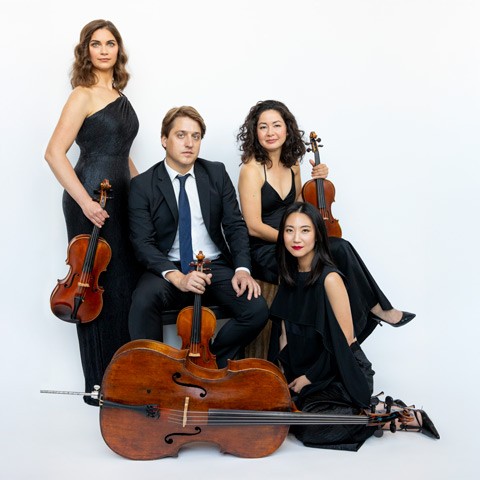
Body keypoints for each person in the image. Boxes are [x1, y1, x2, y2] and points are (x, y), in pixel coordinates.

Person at [237, 99, 414, 342]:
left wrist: (316, 182)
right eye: (263, 127)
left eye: (276, 125)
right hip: (266, 250)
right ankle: (371, 313)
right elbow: (253, 226)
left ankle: (364, 319)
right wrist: (294, 239)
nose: (270, 133)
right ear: (255, 132)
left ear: (287, 129)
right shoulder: (251, 169)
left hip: (293, 241)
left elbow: (298, 208)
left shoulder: (293, 166)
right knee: (332, 255)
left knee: (341, 247)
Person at [269, 202, 439, 450]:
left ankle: (389, 414)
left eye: (305, 230)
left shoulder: (331, 279)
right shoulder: (288, 275)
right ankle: (369, 410)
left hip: (341, 371)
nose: (296, 238)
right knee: (287, 419)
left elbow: (345, 343)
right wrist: (283, 374)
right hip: (304, 370)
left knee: (307, 429)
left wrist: (309, 377)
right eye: (289, 230)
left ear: (317, 234)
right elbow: (284, 332)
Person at [128, 106, 269, 368]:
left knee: (256, 309)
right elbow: (142, 244)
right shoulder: (142, 185)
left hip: (213, 265)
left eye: (196, 136)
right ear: (164, 140)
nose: (189, 143)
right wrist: (178, 277)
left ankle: (212, 360)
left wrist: (242, 269)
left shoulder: (215, 173)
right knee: (143, 300)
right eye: (181, 135)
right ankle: (153, 372)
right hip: (169, 267)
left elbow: (235, 225)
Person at [44, 20, 139, 404]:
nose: (103, 50)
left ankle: (123, 376)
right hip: (90, 201)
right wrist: (85, 201)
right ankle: (98, 384)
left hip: (121, 200)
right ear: (86, 51)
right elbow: (54, 153)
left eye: (110, 43)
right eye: (95, 44)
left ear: (119, 50)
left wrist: (148, 193)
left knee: (123, 286)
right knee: (93, 286)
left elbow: (123, 156)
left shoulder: (119, 93)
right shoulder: (82, 95)